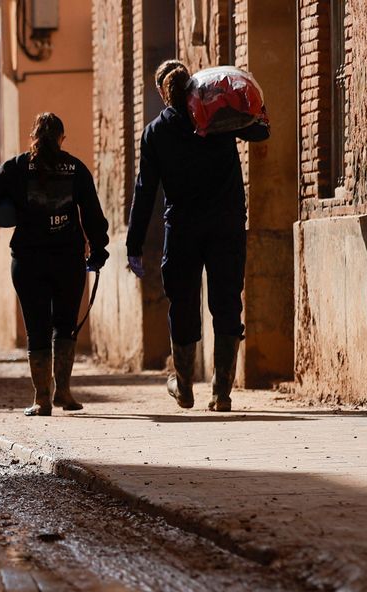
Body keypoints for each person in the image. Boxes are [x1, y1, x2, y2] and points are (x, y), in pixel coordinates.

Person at [126, 60, 270, 412]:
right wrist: (256, 110)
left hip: (183, 229)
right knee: (226, 302)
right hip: (226, 224)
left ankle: (185, 385)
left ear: (162, 93)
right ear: (192, 84)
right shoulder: (217, 116)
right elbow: (259, 132)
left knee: (183, 304)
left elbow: (145, 191)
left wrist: (134, 244)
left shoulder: (155, 132)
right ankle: (222, 393)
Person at [0, 112, 110, 417]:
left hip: (28, 260)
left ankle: (41, 399)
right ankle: (64, 391)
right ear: (61, 138)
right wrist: (99, 250)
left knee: (36, 327)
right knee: (65, 325)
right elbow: (92, 213)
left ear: (33, 137)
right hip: (68, 259)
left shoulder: (17, 166)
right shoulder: (75, 168)